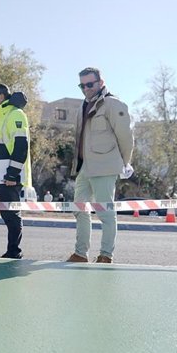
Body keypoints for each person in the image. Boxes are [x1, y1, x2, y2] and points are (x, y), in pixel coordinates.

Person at [66, 67, 134, 264]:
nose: (86, 88)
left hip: (105, 167)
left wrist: (125, 163)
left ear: (101, 83)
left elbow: (126, 138)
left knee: (105, 212)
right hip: (83, 168)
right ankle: (80, 253)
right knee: (80, 210)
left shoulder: (113, 104)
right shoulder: (81, 107)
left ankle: (106, 255)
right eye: (82, 85)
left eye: (90, 84)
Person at [0, 84, 31, 259]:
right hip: (1, 177)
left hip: (9, 178)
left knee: (12, 215)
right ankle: (12, 250)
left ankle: (14, 251)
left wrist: (12, 174)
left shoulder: (15, 115)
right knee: (7, 214)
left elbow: (21, 146)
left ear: (1, 97)